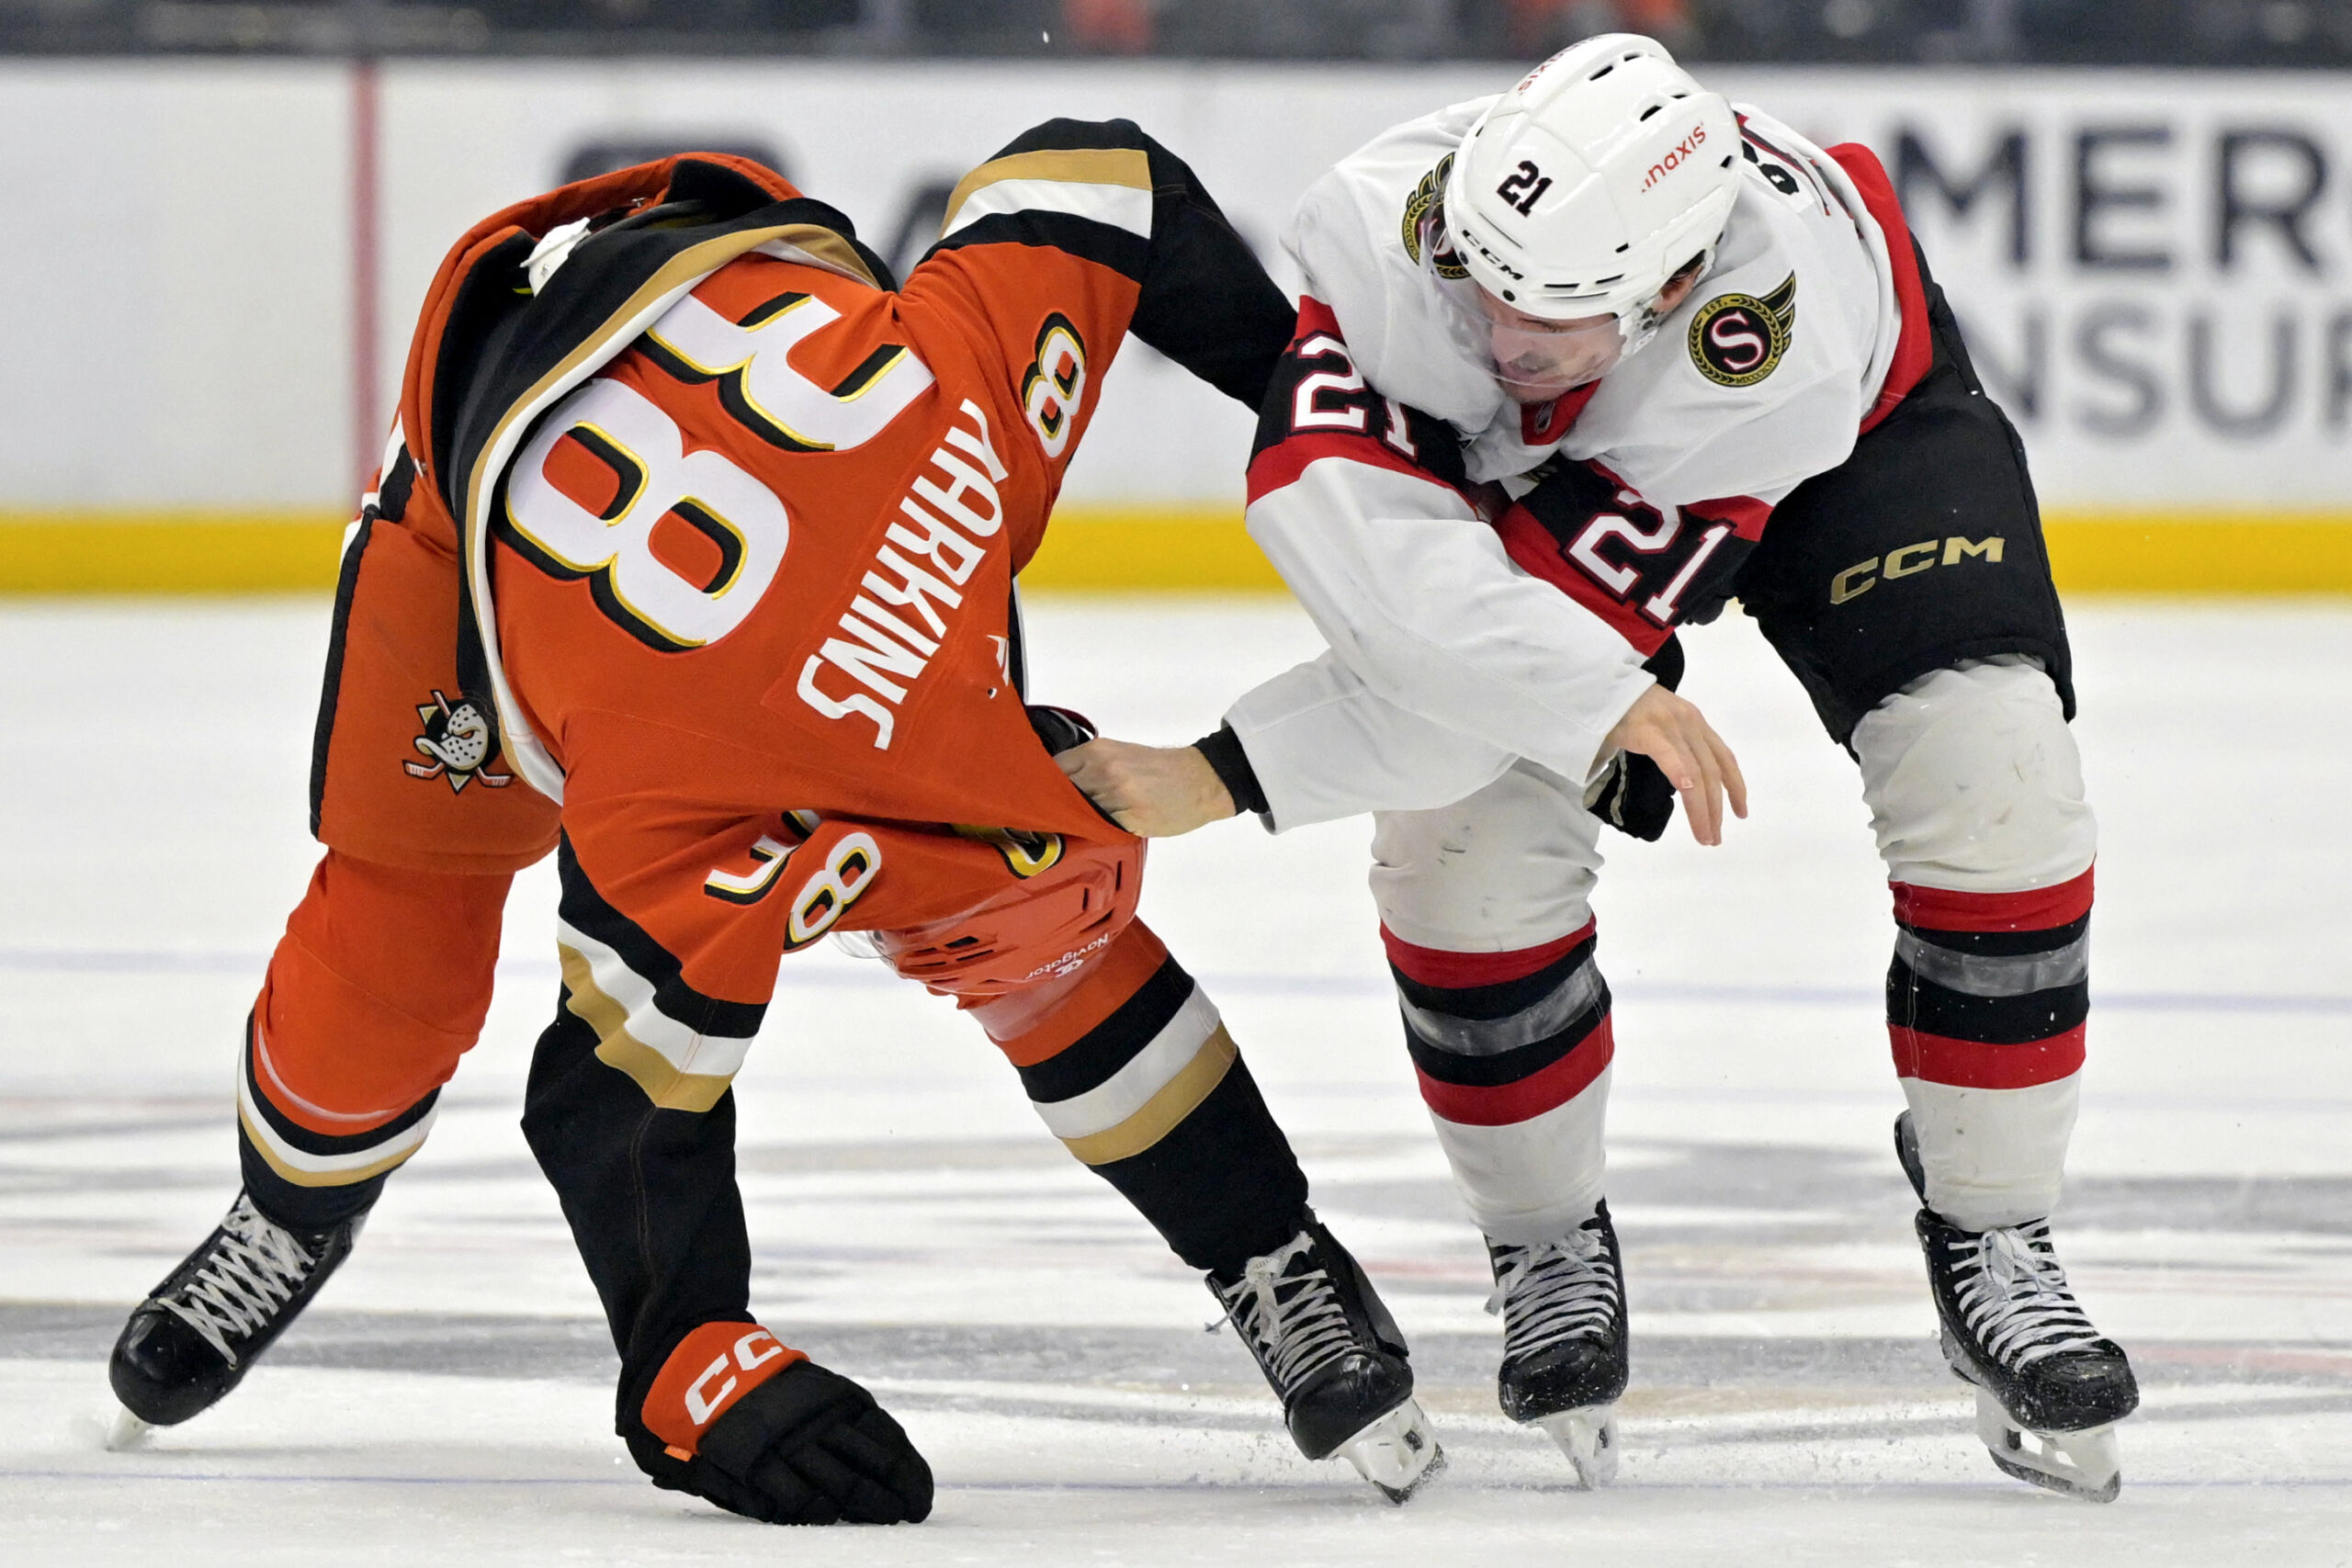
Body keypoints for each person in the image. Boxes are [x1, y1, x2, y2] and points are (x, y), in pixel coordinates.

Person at [106, 127, 1449, 1521]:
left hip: (782, 398)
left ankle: (1266, 1249)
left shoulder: (966, 423)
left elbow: (1102, 180)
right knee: (392, 966)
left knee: (1031, 915)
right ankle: (289, 1213)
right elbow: (603, 1102)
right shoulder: (670, 804)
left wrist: (1323, 411)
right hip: (468, 497)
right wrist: (686, 1365)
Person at [1061, 36, 2138, 1502]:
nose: (1501, 342)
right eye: (1482, 287)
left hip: (1860, 434)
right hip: (1575, 481)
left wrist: (1226, 772)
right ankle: (1542, 1236)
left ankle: (1996, 1229)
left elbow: (1484, 661)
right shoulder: (1388, 248)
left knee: (1996, 776)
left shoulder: (1768, 341)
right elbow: (1416, 633)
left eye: (1552, 321)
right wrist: (1546, 705)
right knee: (1463, 843)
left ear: (1672, 290)